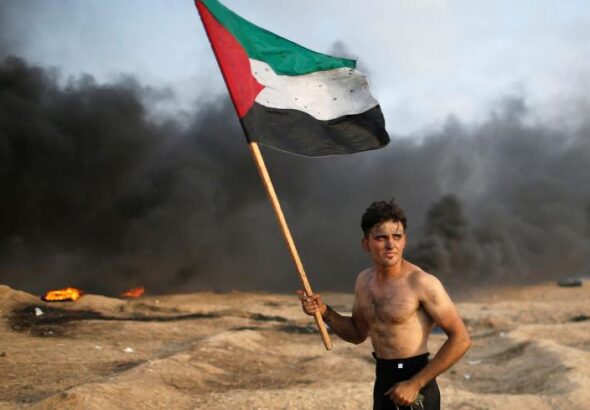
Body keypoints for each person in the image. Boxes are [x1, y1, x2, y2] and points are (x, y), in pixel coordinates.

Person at [298, 199, 471, 410]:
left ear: (404, 240)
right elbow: (357, 333)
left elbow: (461, 339)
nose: (391, 245)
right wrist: (324, 312)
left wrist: (414, 384)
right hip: (383, 380)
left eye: (396, 237)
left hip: (417, 383)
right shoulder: (364, 281)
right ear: (366, 243)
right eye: (381, 238)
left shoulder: (422, 283)